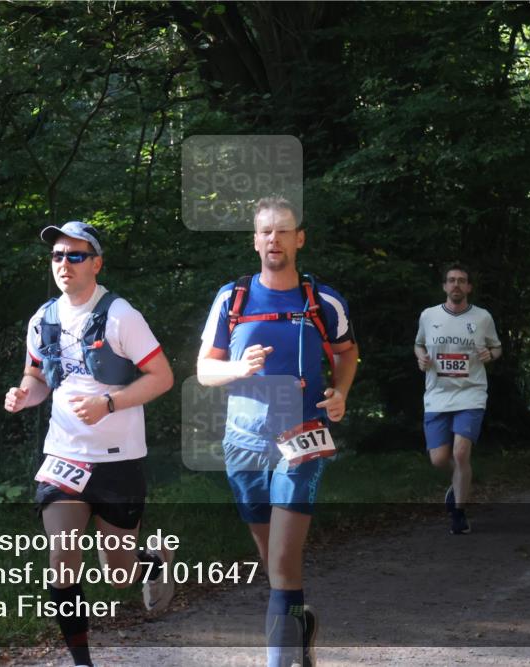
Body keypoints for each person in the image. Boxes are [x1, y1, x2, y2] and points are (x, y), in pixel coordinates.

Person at [5, 221, 175, 667]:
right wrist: (24, 395)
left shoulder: (122, 316)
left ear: (96, 263)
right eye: (58, 256)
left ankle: (153, 562)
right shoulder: (42, 319)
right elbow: (37, 377)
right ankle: (82, 662)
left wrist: (110, 403)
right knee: (63, 558)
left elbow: (162, 377)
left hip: (118, 461)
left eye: (75, 255)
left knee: (119, 575)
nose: (64, 264)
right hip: (64, 455)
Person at [197, 197, 358, 667]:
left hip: (303, 437)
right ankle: (298, 628)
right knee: (275, 566)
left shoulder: (321, 301)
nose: (274, 239)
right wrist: (236, 368)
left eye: (283, 231)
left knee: (285, 562)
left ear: (299, 238)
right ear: (254, 240)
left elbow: (347, 353)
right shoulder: (232, 298)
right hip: (244, 443)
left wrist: (341, 392)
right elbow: (204, 371)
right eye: (266, 231)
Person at [414, 262, 501, 535]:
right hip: (438, 394)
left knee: (461, 453)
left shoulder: (482, 317)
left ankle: (459, 514)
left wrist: (491, 355)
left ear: (469, 287)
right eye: (451, 280)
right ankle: (459, 479)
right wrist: (421, 357)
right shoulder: (428, 316)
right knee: (439, 459)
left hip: (471, 392)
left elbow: (496, 347)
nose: (456, 285)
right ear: (444, 286)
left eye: (462, 280)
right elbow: (418, 343)